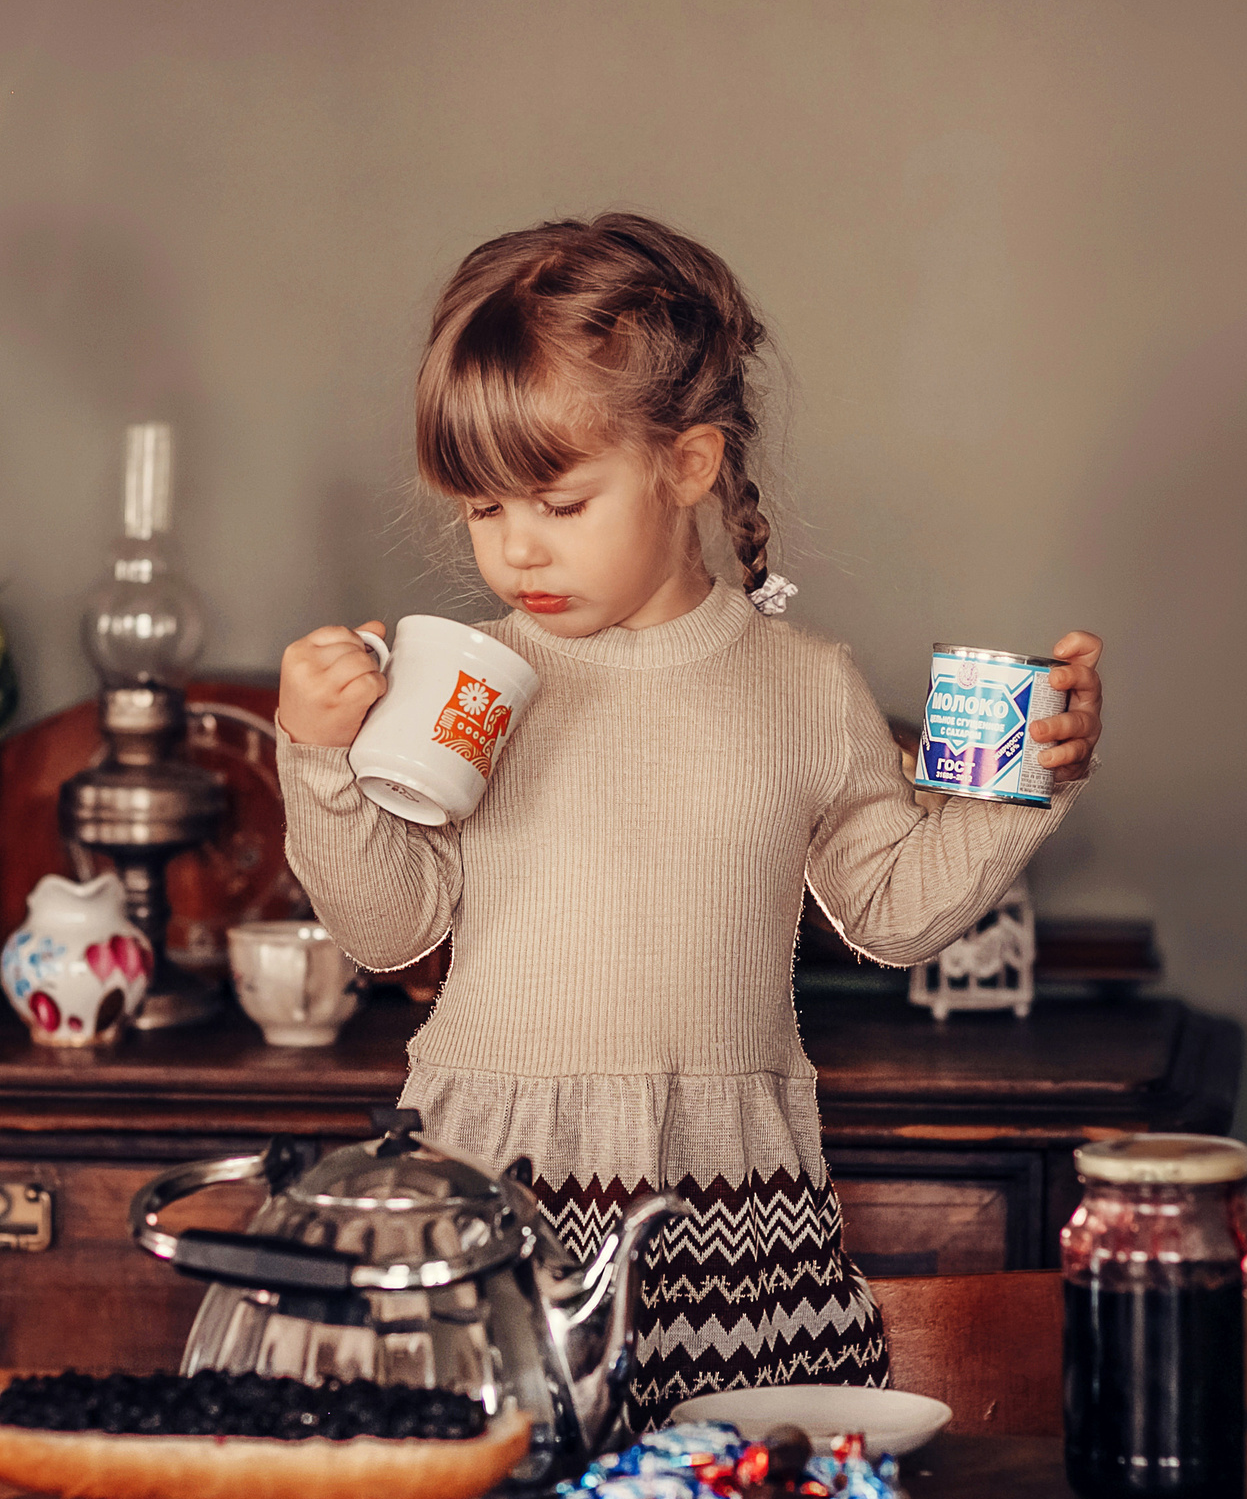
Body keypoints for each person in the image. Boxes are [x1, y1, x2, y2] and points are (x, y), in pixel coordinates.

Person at [275, 214, 1103, 1423]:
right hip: (484, 1182)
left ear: (688, 464)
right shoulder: (459, 682)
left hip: (729, 1205)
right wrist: (321, 757)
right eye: (482, 511)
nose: (514, 552)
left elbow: (893, 914)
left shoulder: (802, 684)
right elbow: (386, 931)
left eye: (557, 504)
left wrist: (1035, 777)